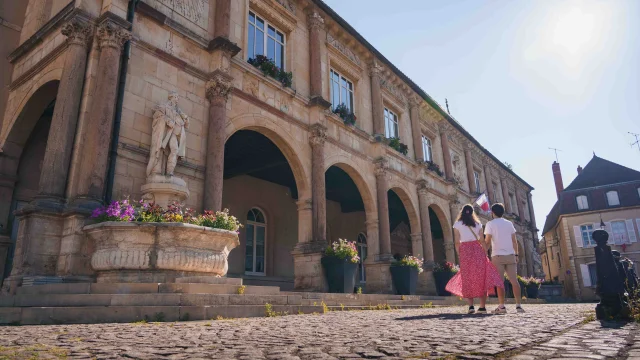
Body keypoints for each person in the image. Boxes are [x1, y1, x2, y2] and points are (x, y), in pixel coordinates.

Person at [445, 204, 504, 314]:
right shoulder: (478, 224)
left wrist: (459, 254)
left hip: (465, 251)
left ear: (462, 212)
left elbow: (457, 242)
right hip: (478, 250)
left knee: (467, 278)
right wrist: (485, 251)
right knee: (482, 277)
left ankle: (471, 306)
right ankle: (482, 307)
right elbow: (482, 240)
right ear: (472, 213)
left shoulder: (457, 224)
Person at [484, 203, 525, 314]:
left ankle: (502, 306)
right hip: (511, 255)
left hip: (497, 255)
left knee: (499, 282)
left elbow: (487, 241)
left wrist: (483, 251)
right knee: (514, 281)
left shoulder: (490, 224)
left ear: (493, 213)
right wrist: (516, 255)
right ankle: (518, 306)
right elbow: (514, 241)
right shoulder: (509, 224)